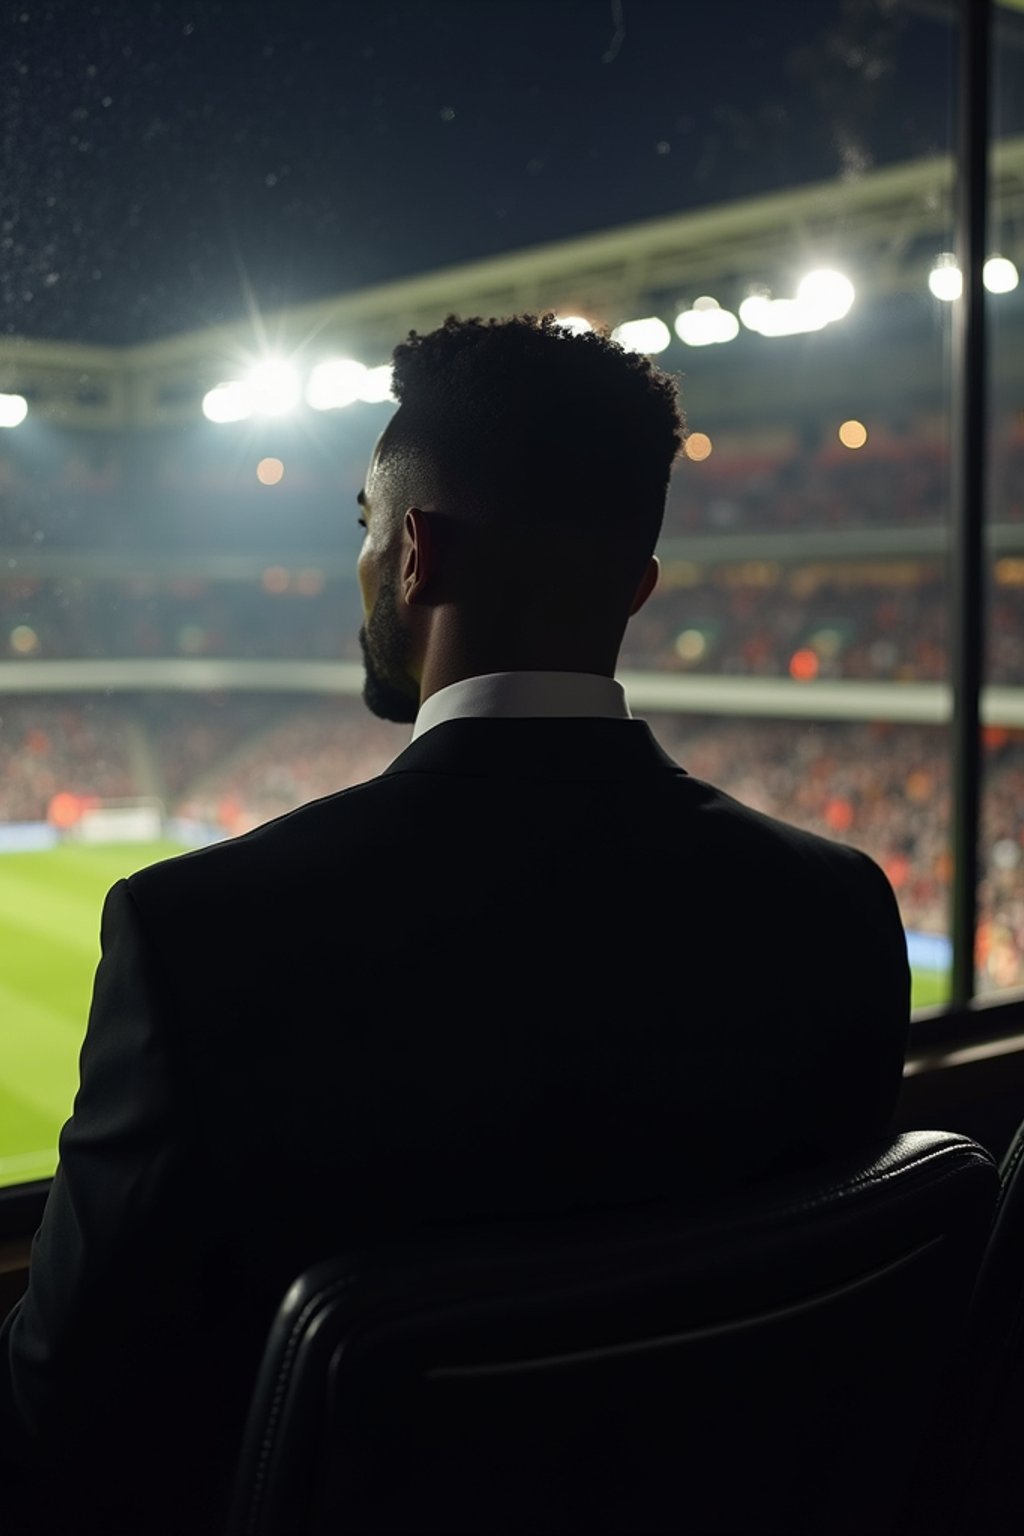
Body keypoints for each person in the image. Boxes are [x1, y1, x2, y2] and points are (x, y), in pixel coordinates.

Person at [0, 313, 910, 1533]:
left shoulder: (203, 940)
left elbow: (63, 1423)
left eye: (365, 528)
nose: (363, 564)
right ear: (638, 588)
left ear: (416, 552)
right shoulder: (835, 908)